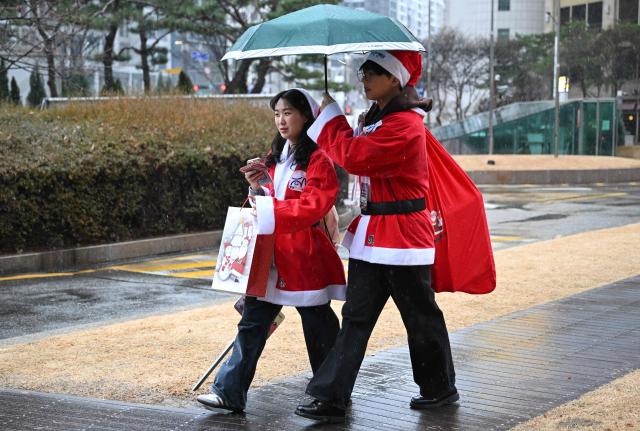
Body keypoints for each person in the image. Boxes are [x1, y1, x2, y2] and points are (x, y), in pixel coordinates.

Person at [294, 51, 457, 424]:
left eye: (375, 71)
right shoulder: (377, 118)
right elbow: (353, 151)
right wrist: (336, 120)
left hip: (403, 235)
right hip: (373, 232)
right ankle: (329, 395)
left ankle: (439, 388)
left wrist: (331, 118)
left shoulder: (405, 125)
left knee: (420, 317)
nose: (364, 76)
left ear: (396, 80)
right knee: (356, 317)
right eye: (364, 70)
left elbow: (353, 156)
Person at [197, 88, 346, 413]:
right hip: (269, 256)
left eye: (288, 112)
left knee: (318, 326)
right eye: (277, 113)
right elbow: (266, 201)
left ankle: (332, 395)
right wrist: (256, 188)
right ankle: (228, 392)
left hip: (305, 255)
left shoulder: (320, 160)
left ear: (306, 116)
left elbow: (314, 205)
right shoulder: (273, 156)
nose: (281, 119)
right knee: (252, 323)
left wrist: (271, 208)